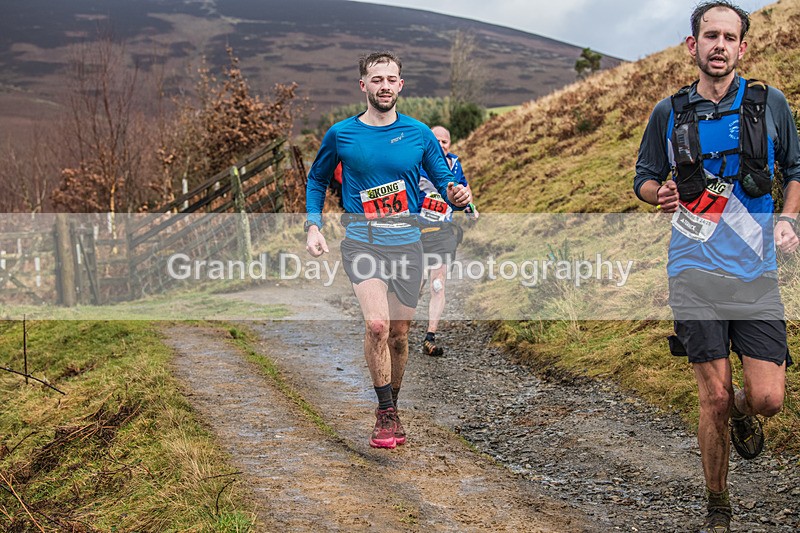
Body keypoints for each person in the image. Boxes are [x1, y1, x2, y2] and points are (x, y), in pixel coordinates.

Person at [633, 2, 800, 531]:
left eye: (730, 37)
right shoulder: (669, 111)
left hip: (755, 270)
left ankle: (746, 420)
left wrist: (790, 218)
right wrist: (654, 192)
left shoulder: (770, 103)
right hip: (692, 268)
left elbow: (796, 169)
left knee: (768, 398)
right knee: (715, 394)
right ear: (693, 46)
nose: (720, 45)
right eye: (710, 36)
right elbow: (644, 176)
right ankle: (718, 506)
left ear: (743, 47)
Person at [305, 51, 472, 449]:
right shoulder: (341, 134)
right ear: (363, 85)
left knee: (399, 334)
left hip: (408, 246)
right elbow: (316, 180)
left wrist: (458, 193)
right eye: (376, 79)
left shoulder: (418, 134)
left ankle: (391, 407)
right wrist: (314, 225)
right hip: (363, 243)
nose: (384, 86)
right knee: (377, 325)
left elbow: (445, 180)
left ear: (400, 85)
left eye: (391, 79)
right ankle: (384, 415)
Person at [417, 125, 478, 357]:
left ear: (450, 144)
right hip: (417, 231)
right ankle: (398, 329)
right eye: (436, 140)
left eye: (445, 141)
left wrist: (471, 207)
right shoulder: (416, 162)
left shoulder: (455, 165)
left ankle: (430, 337)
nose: (441, 145)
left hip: (442, 232)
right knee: (415, 284)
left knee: (437, 282)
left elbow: (465, 191)